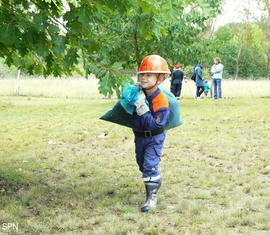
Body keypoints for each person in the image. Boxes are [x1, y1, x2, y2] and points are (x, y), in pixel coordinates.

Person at [132, 55, 170, 212]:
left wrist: (143, 110)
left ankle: (151, 198)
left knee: (149, 165)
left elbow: (156, 124)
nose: (144, 78)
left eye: (149, 75)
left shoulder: (161, 100)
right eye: (142, 74)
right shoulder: (139, 93)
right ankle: (154, 180)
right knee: (142, 164)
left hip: (154, 137)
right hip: (139, 137)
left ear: (160, 79)